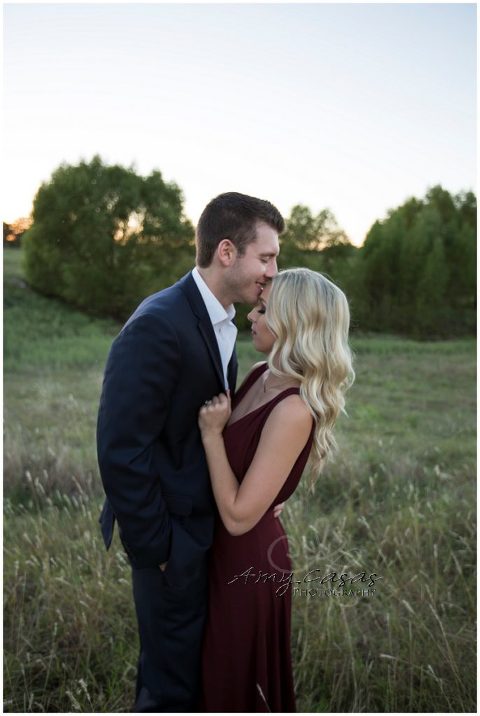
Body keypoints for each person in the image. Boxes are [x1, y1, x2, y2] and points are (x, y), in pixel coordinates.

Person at [96, 192, 285, 712]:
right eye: (266, 257)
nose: (273, 272)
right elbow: (120, 449)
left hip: (204, 533)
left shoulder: (222, 319)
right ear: (226, 251)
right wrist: (159, 550)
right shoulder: (160, 322)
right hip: (171, 541)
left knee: (197, 678)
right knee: (170, 688)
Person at [198, 268, 354, 712]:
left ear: (293, 323)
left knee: (229, 687)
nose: (251, 316)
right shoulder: (259, 374)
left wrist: (211, 434)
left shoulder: (294, 410)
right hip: (215, 550)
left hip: (246, 563)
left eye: (263, 310)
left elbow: (238, 516)